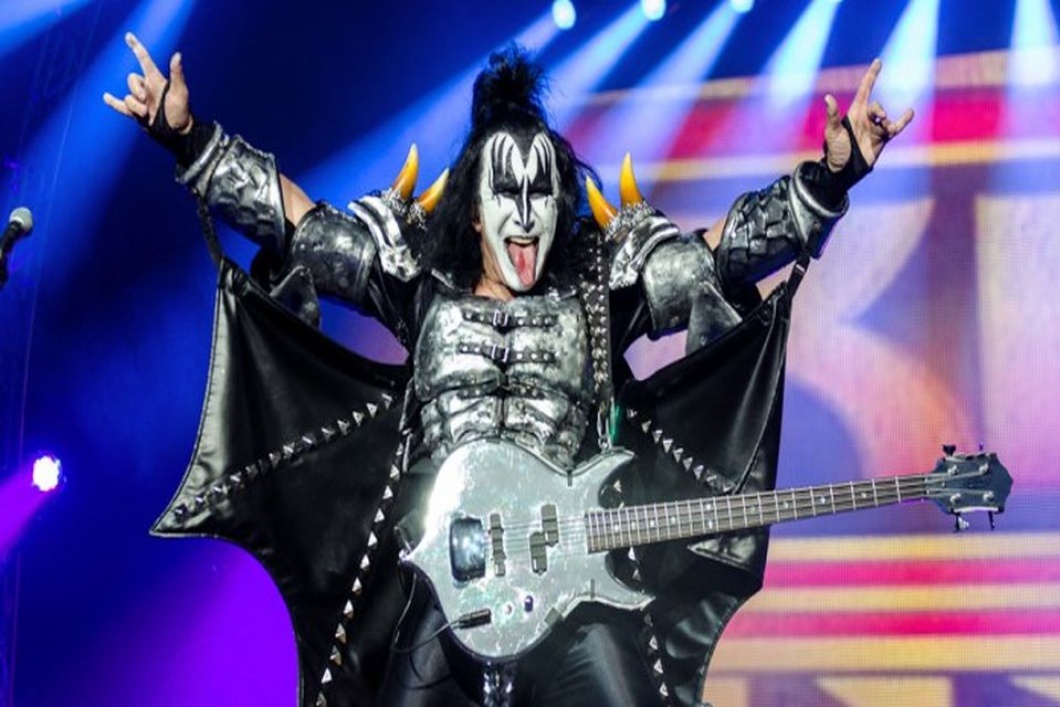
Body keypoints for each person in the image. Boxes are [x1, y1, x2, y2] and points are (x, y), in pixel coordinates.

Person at [105, 31, 911, 707]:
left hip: (576, 597)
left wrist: (831, 176)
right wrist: (192, 140)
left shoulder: (599, 289)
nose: (524, 213)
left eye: (540, 193)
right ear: (475, 207)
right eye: (506, 192)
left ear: (561, 200)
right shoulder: (421, 284)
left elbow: (721, 256)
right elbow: (301, 225)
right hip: (443, 590)